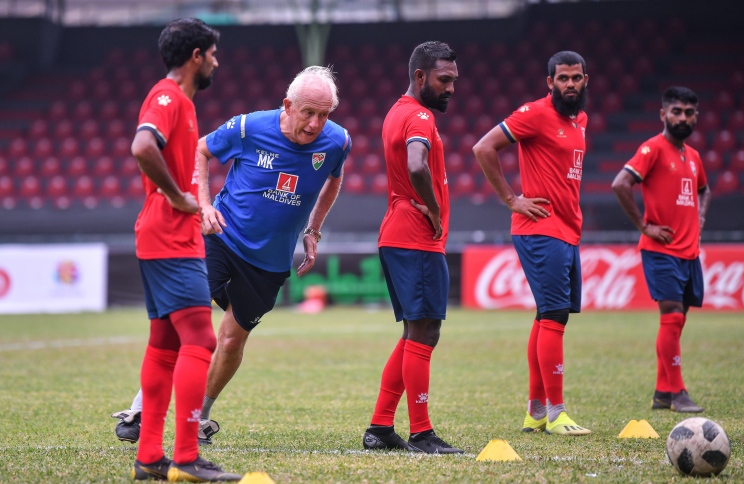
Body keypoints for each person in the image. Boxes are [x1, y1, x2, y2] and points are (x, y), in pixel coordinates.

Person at [114, 65, 351, 446]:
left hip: (269, 262)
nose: (315, 124)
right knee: (183, 319)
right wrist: (204, 206)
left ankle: (200, 417)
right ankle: (140, 410)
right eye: (308, 112)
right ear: (287, 105)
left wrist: (313, 229)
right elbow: (201, 149)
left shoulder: (337, 142)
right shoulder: (248, 127)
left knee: (230, 342)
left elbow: (334, 178)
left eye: (324, 115)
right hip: (221, 237)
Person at [127, 18, 241, 481]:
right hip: (172, 236)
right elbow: (142, 146)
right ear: (196, 56)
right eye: (212, 54)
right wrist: (177, 196)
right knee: (201, 339)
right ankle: (187, 458)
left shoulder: (180, 101)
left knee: (165, 344)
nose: (216, 62)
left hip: (160, 236)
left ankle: (149, 457)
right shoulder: (169, 96)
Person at [472, 51, 591, 436]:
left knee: (547, 315)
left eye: (576, 77)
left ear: (585, 80)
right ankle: (556, 413)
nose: (570, 84)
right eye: (563, 78)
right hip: (540, 228)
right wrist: (511, 199)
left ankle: (536, 412)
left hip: (567, 229)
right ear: (550, 82)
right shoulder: (534, 113)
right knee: (554, 315)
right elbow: (483, 147)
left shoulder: (580, 120)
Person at [362, 41, 463, 454]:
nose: (451, 88)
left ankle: (380, 427)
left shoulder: (397, 112)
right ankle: (421, 433)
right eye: (444, 79)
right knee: (425, 331)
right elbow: (417, 164)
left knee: (414, 333)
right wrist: (435, 210)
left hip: (399, 235)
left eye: (454, 80)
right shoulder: (419, 116)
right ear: (420, 76)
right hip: (416, 236)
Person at [612, 86, 710, 413]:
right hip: (661, 249)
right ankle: (678, 392)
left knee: (676, 322)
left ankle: (662, 393)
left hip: (689, 251)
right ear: (663, 114)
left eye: (689, 113)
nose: (683, 118)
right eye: (676, 111)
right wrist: (644, 226)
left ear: (696, 116)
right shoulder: (652, 148)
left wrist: (700, 215)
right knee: (672, 314)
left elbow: (705, 190)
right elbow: (620, 183)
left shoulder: (693, 157)